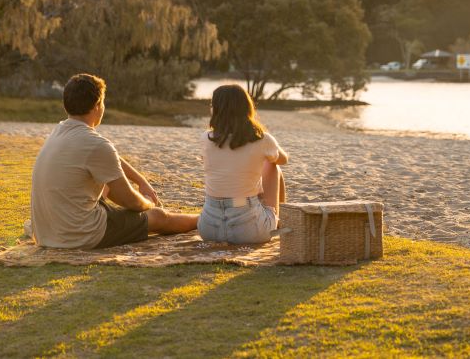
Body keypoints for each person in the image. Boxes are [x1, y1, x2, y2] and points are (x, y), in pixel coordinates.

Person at [30, 73, 198, 249]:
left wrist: (141, 181)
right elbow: (131, 202)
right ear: (97, 106)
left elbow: (110, 159)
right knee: (158, 217)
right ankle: (202, 219)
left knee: (105, 179)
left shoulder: (59, 131)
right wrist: (149, 203)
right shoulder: (96, 144)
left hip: (46, 232)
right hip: (79, 235)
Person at [198, 84, 288, 244]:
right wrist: (268, 143)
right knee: (273, 166)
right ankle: (277, 219)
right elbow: (283, 159)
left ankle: (269, 216)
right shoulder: (262, 139)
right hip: (249, 230)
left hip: (208, 229)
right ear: (247, 109)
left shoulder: (206, 138)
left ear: (217, 110)